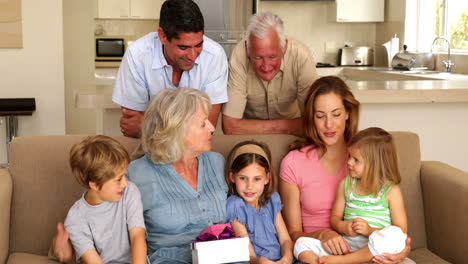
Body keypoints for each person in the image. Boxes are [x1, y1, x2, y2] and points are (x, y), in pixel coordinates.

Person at [53, 88, 228, 264]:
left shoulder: (217, 163)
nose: (213, 128)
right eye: (203, 124)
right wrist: (68, 252)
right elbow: (98, 215)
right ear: (176, 131)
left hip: (224, 256)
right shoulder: (136, 174)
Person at [279, 76, 412, 264]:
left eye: (336, 114)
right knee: (302, 245)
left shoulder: (367, 156)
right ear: (311, 118)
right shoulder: (293, 162)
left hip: (370, 251)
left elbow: (397, 228)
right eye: (320, 116)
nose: (329, 125)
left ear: (348, 113)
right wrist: (324, 234)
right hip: (321, 252)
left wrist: (402, 251)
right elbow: (293, 234)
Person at [113, 0, 228, 138]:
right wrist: (189, 129)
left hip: (191, 153)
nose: (192, 56)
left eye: (198, 45)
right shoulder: (137, 55)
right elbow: (132, 126)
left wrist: (149, 127)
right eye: (183, 47)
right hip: (147, 152)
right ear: (162, 36)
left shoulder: (214, 55)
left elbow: (207, 128)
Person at [294, 127, 408, 264]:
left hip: (376, 253)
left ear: (375, 165)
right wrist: (343, 226)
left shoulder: (391, 191)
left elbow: (401, 229)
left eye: (356, 160)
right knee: (301, 244)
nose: (349, 163)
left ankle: (344, 261)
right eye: (349, 157)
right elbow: (335, 218)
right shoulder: (346, 185)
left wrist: (370, 230)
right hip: (348, 247)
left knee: (396, 235)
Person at [222, 12, 318, 136]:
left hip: (291, 136)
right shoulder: (239, 56)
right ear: (247, 49)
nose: (266, 67)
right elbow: (230, 127)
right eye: (258, 57)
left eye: (272, 56)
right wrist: (291, 126)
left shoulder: (301, 56)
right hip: (250, 137)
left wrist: (259, 128)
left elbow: (314, 122)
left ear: (284, 49)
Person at [64, 135, 147, 264]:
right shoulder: (75, 218)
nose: (125, 183)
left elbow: (137, 235)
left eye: (124, 175)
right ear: (95, 185)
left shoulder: (130, 192)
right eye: (118, 179)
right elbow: (93, 261)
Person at [226, 140, 294, 264]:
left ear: (267, 178)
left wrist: (287, 257)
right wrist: (260, 261)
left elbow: (285, 240)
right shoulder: (235, 205)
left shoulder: (272, 200)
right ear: (232, 177)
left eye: (257, 179)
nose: (250, 186)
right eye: (243, 178)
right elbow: (248, 254)